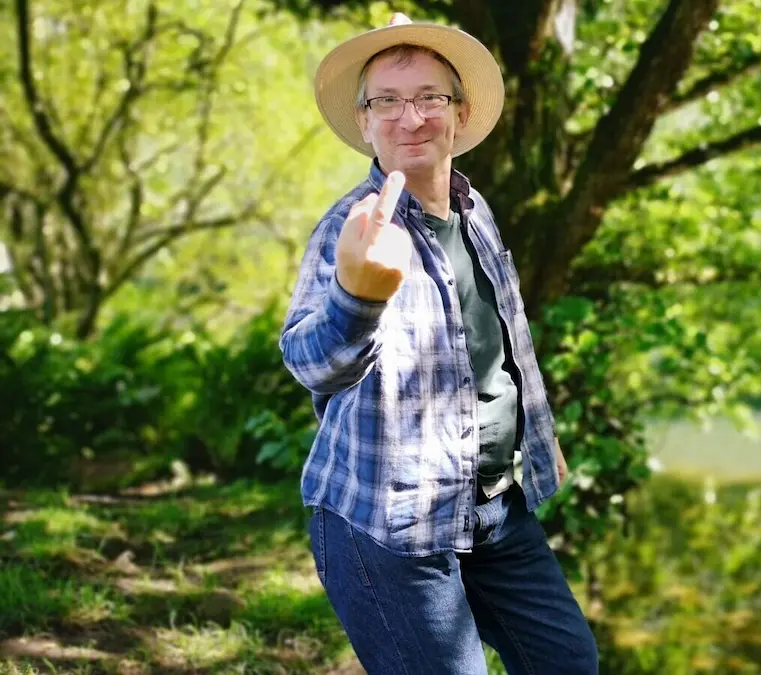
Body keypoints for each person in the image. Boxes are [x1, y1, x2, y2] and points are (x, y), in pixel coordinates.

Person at [279, 13, 599, 674]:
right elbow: (309, 362)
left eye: (429, 97)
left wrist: (538, 436)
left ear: (460, 111)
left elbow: (500, 340)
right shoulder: (352, 227)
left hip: (494, 505)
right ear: (365, 122)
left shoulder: (475, 211)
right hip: (388, 523)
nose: (410, 118)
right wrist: (357, 297)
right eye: (387, 102)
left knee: (569, 662)